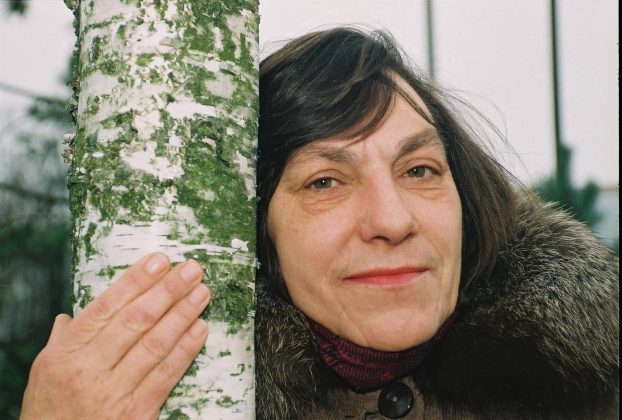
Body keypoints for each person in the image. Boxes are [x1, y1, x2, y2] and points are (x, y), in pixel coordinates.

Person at [21, 27, 618, 419]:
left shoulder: (591, 384)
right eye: (325, 182)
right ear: (261, 235)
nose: (392, 220)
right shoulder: (204, 403)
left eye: (419, 170)